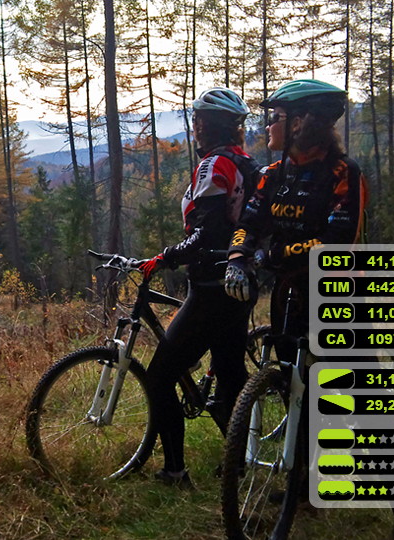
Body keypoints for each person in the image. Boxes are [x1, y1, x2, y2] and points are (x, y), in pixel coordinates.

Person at [223, 79, 394, 540]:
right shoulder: (272, 173)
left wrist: (275, 257)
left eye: (275, 116)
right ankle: (305, 485)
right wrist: (238, 259)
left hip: (340, 300)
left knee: (366, 403)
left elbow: (338, 241)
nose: (267, 124)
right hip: (289, 297)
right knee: (295, 389)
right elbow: (249, 223)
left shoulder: (344, 173)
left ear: (301, 123)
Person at [138, 87, 257, 489]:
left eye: (198, 121)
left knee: (159, 378)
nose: (195, 127)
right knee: (229, 372)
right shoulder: (246, 162)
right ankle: (238, 464)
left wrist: (164, 257)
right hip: (239, 284)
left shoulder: (214, 165)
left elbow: (206, 236)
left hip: (211, 286)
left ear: (209, 125)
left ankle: (174, 472)